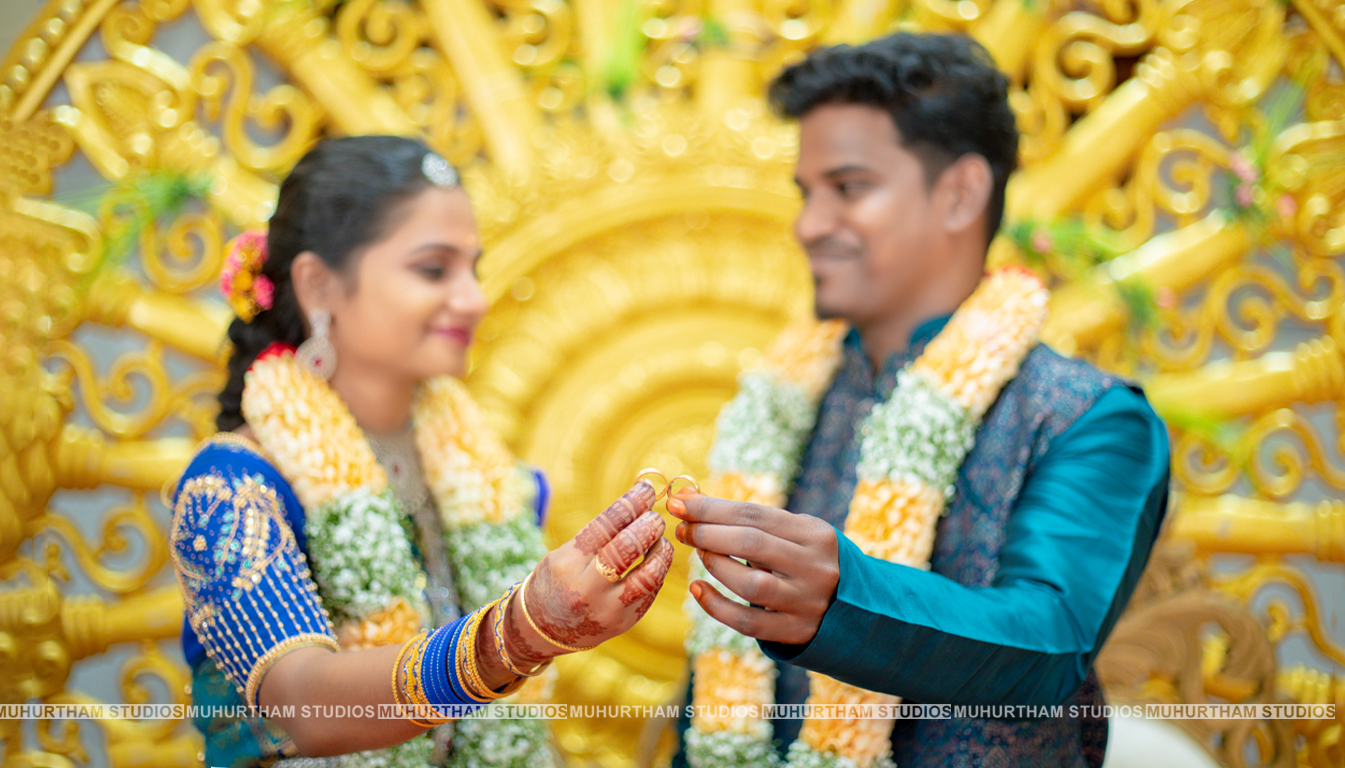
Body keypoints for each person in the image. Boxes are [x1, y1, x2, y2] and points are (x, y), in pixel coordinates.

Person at [669, 33, 1169, 768]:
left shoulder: (1089, 419)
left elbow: (1049, 642)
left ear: (960, 192)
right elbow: (721, 689)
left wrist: (849, 599)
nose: (809, 225)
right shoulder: (783, 402)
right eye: (807, 194)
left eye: (848, 187)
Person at [171, 135, 674, 768]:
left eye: (474, 269)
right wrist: (512, 637)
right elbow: (304, 707)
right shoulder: (233, 489)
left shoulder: (490, 480)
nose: (473, 300)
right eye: (434, 269)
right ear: (319, 284)